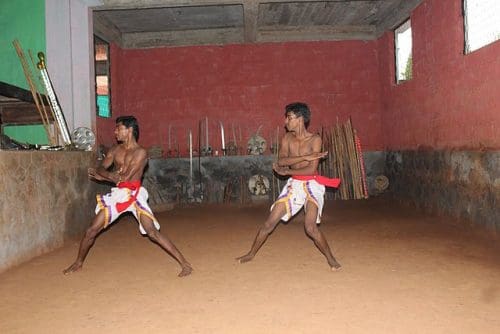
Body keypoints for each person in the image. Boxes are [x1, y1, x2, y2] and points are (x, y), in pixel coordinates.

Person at [63, 116, 192, 277]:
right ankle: (78, 263)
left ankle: (185, 264)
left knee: (152, 232)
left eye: (119, 128)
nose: (115, 131)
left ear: (129, 130)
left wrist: (106, 176)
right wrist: (108, 175)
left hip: (135, 195)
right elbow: (101, 168)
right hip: (118, 195)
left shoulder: (141, 152)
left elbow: (125, 175)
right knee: (91, 230)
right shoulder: (115, 150)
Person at [237, 102, 341, 270]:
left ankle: (331, 258)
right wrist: (305, 157)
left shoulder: (315, 139)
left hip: (312, 185)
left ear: (300, 119)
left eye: (289, 117)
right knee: (269, 223)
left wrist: (288, 171)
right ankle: (251, 253)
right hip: (294, 185)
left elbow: (311, 169)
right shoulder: (287, 138)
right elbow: (282, 161)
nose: (286, 121)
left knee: (310, 227)